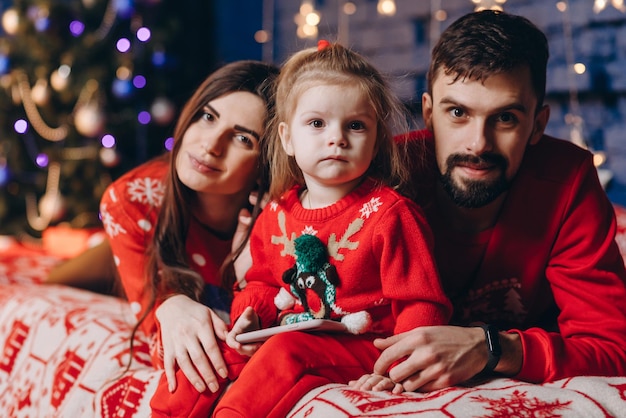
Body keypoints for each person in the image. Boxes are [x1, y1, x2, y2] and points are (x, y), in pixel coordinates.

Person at [350, 10, 626, 394]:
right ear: (429, 113)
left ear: (538, 126)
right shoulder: (386, 177)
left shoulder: (568, 179)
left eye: (506, 118)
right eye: (458, 113)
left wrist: (491, 347)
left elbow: (612, 350)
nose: (478, 144)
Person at [204, 40, 451, 417]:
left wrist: (399, 367)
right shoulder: (276, 213)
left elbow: (420, 303)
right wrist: (251, 315)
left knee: (287, 352)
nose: (336, 138)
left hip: (366, 343)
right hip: (292, 329)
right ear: (287, 138)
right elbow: (263, 283)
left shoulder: (390, 214)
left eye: (355, 125)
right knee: (214, 356)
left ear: (375, 141)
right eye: (317, 123)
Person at [63, 61, 278, 404]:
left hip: (185, 255)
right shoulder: (131, 199)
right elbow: (153, 324)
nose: (211, 145)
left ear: (268, 160)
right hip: (145, 236)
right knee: (60, 278)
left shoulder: (284, 213)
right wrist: (170, 303)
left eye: (241, 138)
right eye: (208, 117)